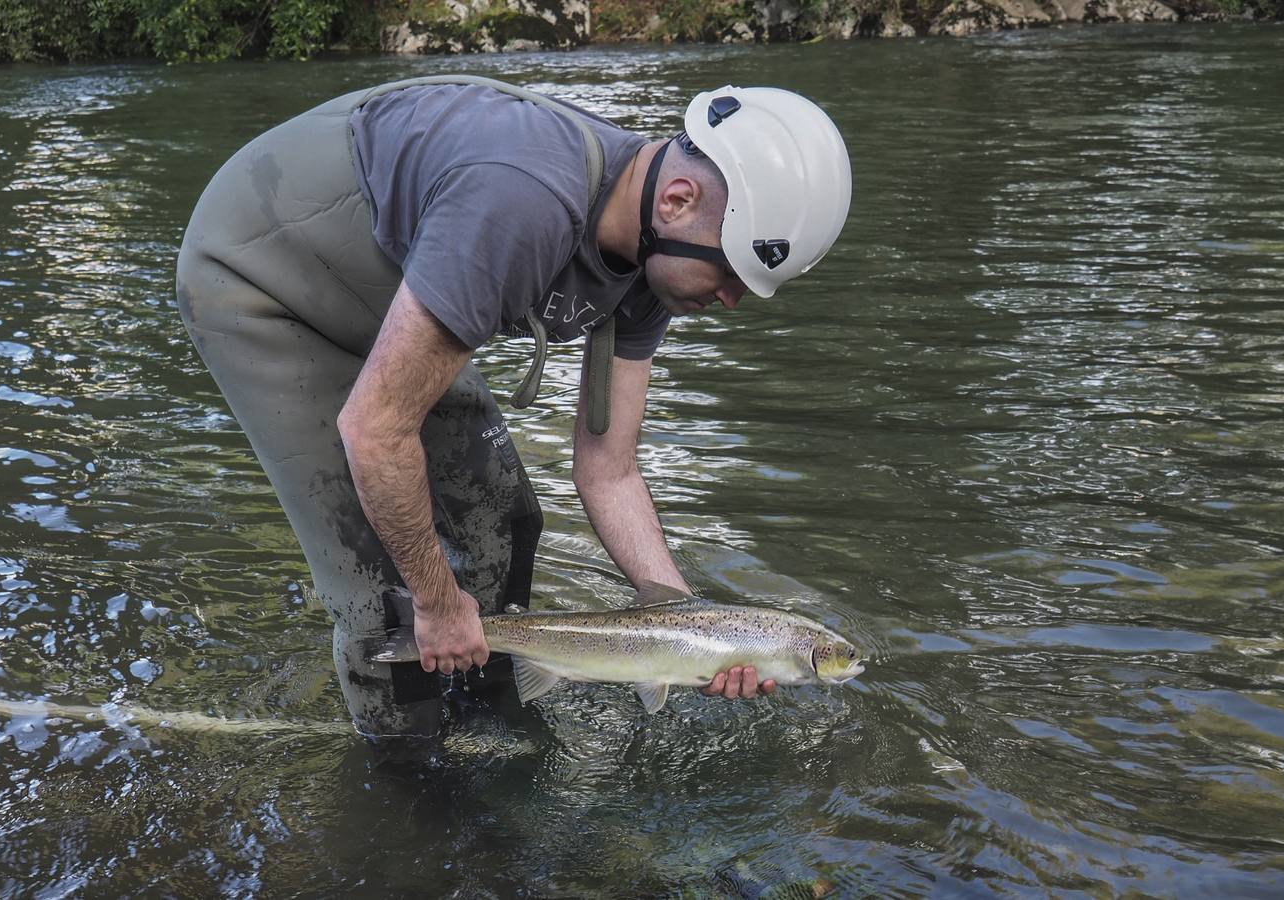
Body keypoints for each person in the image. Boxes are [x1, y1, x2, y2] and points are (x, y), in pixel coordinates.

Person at [174, 75, 852, 741]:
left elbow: (609, 469)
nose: (731, 298)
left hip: (390, 298)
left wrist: (686, 625)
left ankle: (492, 715)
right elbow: (377, 431)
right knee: (385, 588)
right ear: (678, 200)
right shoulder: (522, 204)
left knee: (504, 518)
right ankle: (407, 778)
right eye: (730, 273)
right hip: (259, 281)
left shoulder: (657, 262)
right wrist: (437, 605)